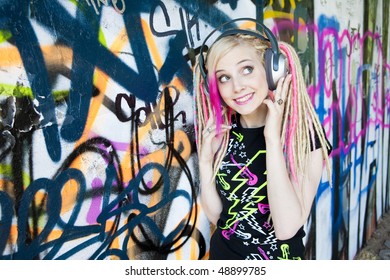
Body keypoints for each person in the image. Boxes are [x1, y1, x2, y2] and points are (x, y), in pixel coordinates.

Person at [193, 24, 332, 260]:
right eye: (224, 78)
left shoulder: (303, 136)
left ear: (271, 71)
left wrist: (272, 140)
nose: (237, 87)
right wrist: (205, 162)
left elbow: (287, 228)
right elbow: (219, 218)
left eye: (246, 69)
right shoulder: (223, 133)